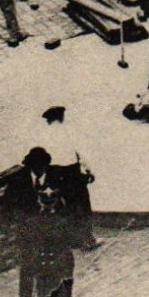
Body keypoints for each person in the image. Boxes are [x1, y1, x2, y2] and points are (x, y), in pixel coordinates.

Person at [0, 147, 82, 297]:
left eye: (41, 167)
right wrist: (13, 226)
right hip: (28, 237)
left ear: (46, 165)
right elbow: (8, 207)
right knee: (27, 274)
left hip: (51, 238)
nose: (38, 171)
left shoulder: (56, 176)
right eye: (34, 167)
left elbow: (70, 202)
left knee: (52, 276)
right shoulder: (18, 180)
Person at [38, 104, 99, 251]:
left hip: (53, 172)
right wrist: (89, 170)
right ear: (61, 118)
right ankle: (87, 238)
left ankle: (69, 239)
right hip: (71, 172)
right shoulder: (69, 132)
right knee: (81, 204)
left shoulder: (43, 134)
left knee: (58, 205)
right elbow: (81, 153)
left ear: (48, 120)